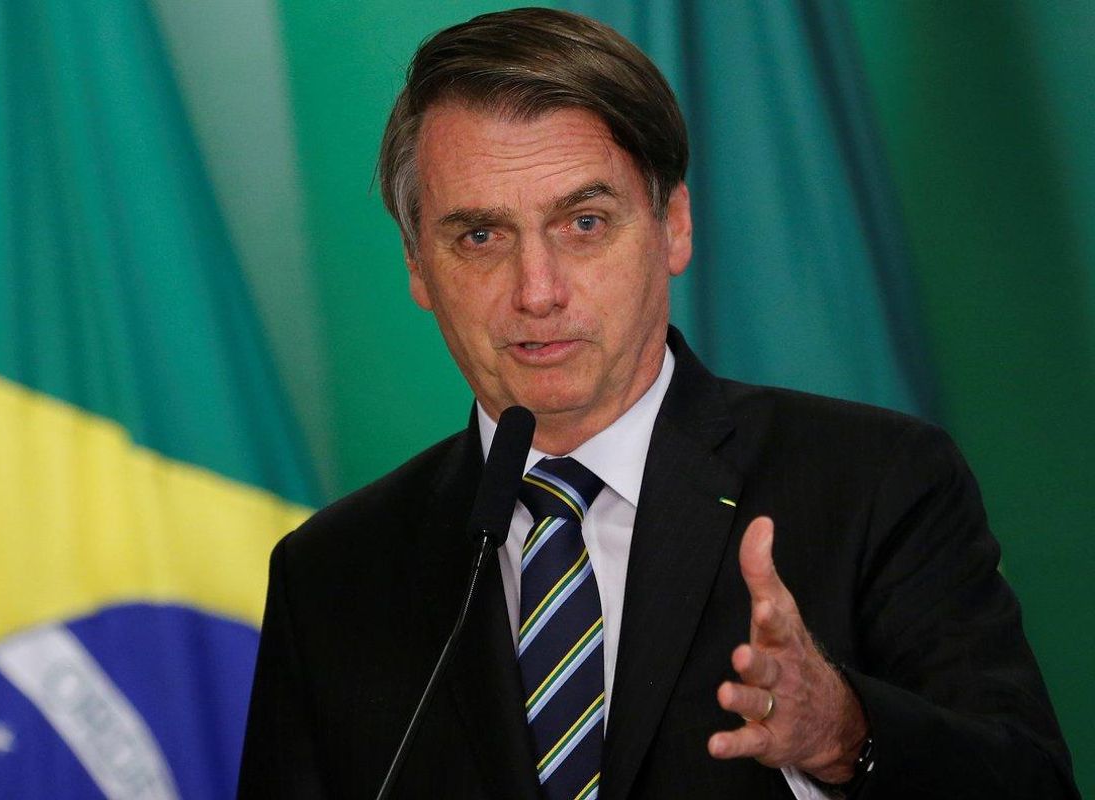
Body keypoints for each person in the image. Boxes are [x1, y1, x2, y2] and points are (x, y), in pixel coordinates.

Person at [238, 8, 1077, 799]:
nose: (537, 291)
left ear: (672, 225)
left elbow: (1031, 784)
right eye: (481, 237)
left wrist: (843, 734)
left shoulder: (876, 484)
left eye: (585, 223)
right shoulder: (333, 576)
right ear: (419, 266)